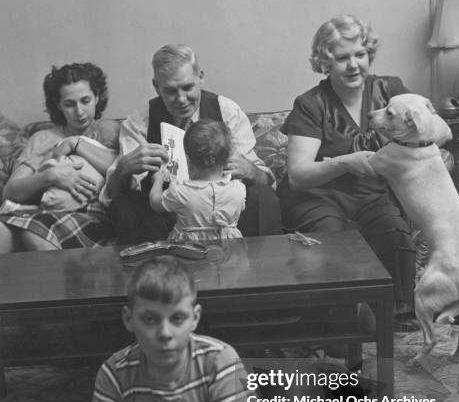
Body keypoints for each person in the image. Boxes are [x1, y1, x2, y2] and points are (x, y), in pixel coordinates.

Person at [278, 15, 418, 329]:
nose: (353, 64)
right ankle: (337, 321)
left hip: (371, 197)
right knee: (329, 236)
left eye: (360, 54)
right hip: (317, 198)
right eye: (342, 58)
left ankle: (395, 315)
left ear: (369, 54)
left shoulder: (390, 91)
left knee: (393, 230)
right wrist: (343, 162)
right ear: (325, 63)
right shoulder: (310, 104)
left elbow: (423, 130)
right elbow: (298, 175)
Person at [102, 43, 281, 243]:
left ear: (201, 77)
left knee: (263, 198)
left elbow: (269, 183)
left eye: (187, 88)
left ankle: (263, 268)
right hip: (164, 216)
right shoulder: (140, 121)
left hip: (223, 216)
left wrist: (252, 171)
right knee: (126, 205)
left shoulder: (227, 112)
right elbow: (113, 197)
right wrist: (123, 169)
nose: (181, 99)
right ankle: (155, 270)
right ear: (156, 86)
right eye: (170, 91)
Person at [89, 256, 250, 402]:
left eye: (177, 318)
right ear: (128, 319)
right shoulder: (115, 372)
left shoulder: (221, 362)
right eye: (150, 319)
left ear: (195, 318)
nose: (165, 333)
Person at [0, 62, 119, 252]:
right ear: (58, 105)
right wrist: (51, 176)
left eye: (85, 101)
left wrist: (77, 144)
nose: (79, 112)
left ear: (97, 97)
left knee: (34, 235)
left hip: (92, 217)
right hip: (43, 211)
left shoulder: (111, 133)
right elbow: (10, 192)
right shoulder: (43, 138)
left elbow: (120, 169)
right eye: (69, 104)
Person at [150, 119, 246, 241]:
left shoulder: (179, 192)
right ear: (227, 159)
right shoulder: (238, 189)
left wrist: (158, 180)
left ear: (188, 162)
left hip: (190, 251)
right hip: (230, 251)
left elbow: (155, 203)